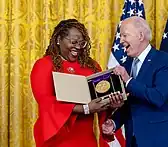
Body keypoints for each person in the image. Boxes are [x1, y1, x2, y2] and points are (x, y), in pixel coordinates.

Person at [30, 19, 124, 147]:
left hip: (85, 137)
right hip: (56, 137)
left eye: (82, 43)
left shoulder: (92, 66)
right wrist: (85, 108)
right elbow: (46, 102)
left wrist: (113, 104)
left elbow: (100, 101)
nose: (78, 47)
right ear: (58, 40)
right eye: (73, 42)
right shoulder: (44, 65)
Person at [102, 16, 168, 147]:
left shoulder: (164, 60)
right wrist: (115, 122)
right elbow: (131, 103)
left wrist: (128, 80)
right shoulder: (127, 64)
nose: (121, 41)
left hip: (159, 140)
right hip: (134, 141)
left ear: (140, 36)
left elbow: (158, 97)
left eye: (124, 35)